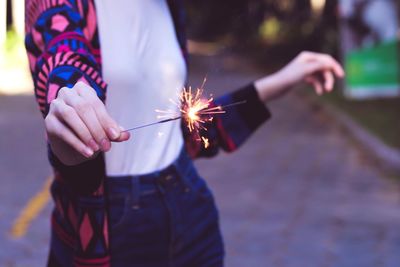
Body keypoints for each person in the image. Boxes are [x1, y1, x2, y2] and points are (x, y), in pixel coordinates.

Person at [25, 0, 344, 266]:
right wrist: (67, 112)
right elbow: (63, 63)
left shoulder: (169, 8)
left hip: (190, 205)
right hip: (112, 226)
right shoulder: (59, 7)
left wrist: (279, 82)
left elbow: (181, 127)